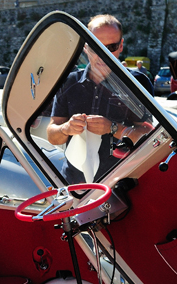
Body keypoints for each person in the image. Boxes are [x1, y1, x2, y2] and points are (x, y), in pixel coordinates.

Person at [46, 14, 153, 184]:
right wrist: (66, 128)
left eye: (110, 47)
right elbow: (52, 135)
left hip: (121, 184)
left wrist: (112, 127)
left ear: (121, 46)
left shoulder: (137, 83)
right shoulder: (69, 82)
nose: (103, 55)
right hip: (75, 186)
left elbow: (149, 137)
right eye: (96, 47)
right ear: (86, 47)